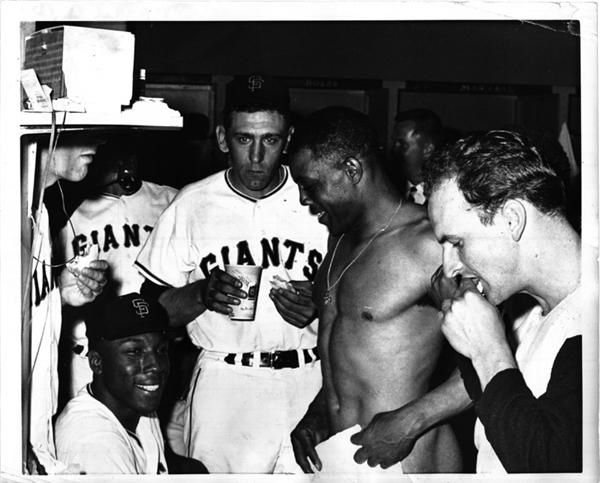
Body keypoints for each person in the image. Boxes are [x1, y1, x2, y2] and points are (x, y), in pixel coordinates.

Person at [352, 130, 583, 473]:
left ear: (511, 219)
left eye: (457, 242)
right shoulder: (528, 313)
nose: (449, 266)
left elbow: (550, 465)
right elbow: (499, 415)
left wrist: (488, 349)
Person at [135, 74, 328, 473]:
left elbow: (363, 297)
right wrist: (202, 294)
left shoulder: (319, 197)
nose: (256, 156)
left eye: (270, 140)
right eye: (244, 139)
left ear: (288, 139)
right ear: (223, 138)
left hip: (311, 379)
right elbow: (150, 312)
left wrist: (322, 302)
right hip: (226, 384)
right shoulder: (192, 203)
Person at [288, 106, 461, 476]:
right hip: (340, 457)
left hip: (407, 458)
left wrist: (409, 423)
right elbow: (354, 355)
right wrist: (319, 412)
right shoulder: (339, 241)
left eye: (311, 185)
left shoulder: (427, 245)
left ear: (352, 170)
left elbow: (497, 359)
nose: (304, 199)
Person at [56, 137, 178, 399]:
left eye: (130, 154)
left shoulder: (169, 199)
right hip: (85, 356)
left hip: (152, 356)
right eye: (114, 154)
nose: (125, 165)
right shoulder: (67, 206)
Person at [55, 292, 208, 474]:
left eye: (161, 350)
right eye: (135, 351)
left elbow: (159, 462)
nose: (155, 366)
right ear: (97, 362)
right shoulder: (95, 443)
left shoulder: (131, 401)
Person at [28, 131, 109, 474]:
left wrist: (59, 293)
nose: (100, 143)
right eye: (89, 131)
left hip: (32, 423)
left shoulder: (40, 211)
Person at [388, 108, 443, 204]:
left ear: (427, 149)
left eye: (402, 144)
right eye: (394, 142)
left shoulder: (443, 196)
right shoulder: (389, 190)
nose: (394, 149)